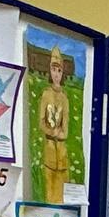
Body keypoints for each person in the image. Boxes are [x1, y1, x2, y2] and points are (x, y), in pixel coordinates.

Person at [38, 44, 70, 202]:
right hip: (50, 147)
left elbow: (66, 127)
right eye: (53, 70)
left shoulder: (64, 98)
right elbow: (41, 122)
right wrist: (51, 132)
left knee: (62, 189)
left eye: (59, 70)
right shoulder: (46, 94)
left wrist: (61, 133)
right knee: (49, 188)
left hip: (61, 150)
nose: (56, 74)